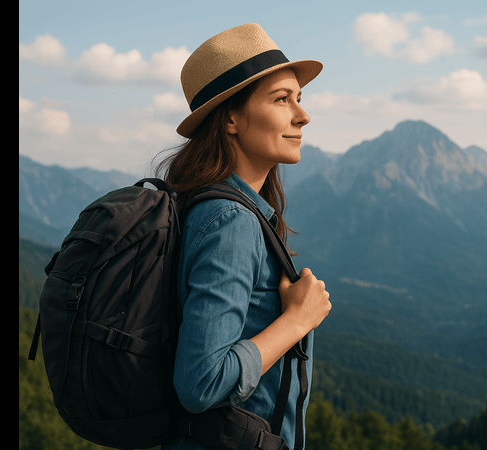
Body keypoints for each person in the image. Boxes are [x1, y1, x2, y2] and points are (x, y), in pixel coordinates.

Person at [157, 23, 331, 449]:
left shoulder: (199, 205)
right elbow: (201, 381)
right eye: (281, 99)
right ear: (231, 119)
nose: (302, 114)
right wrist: (299, 320)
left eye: (299, 98)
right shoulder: (231, 221)